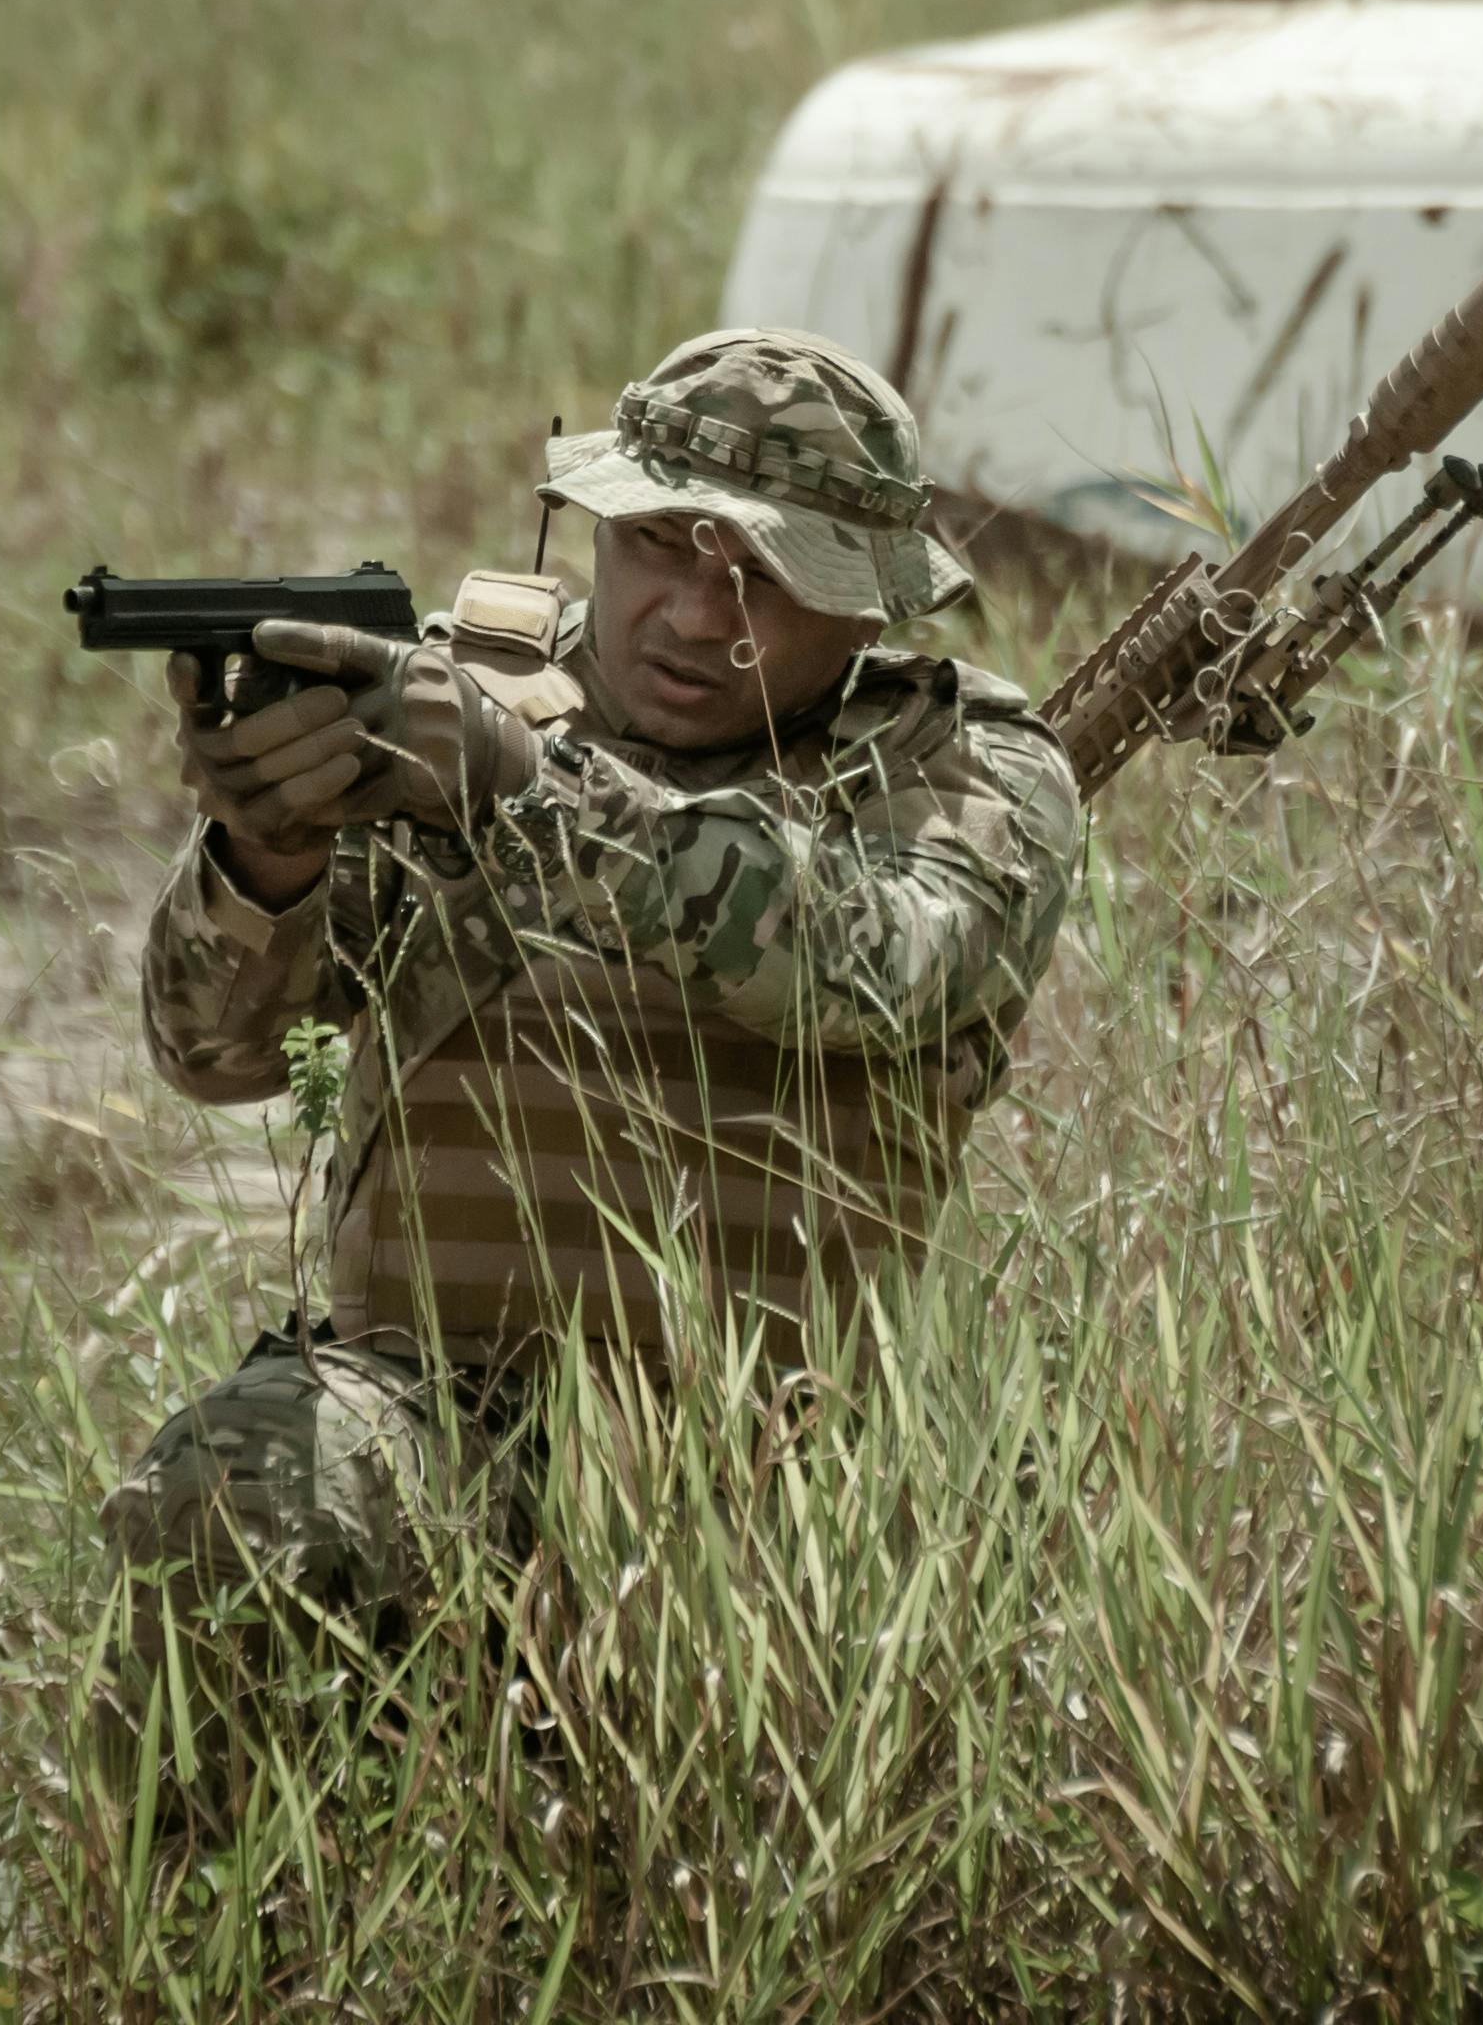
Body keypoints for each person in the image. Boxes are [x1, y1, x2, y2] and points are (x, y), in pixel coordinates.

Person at [98, 328, 1084, 1674]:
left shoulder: (964, 770)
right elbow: (209, 1055)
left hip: (784, 1455)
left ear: (868, 606)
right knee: (239, 1494)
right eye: (662, 544)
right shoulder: (453, 703)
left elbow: (869, 967)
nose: (694, 614)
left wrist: (527, 791)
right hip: (437, 1417)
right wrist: (272, 853)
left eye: (764, 577)